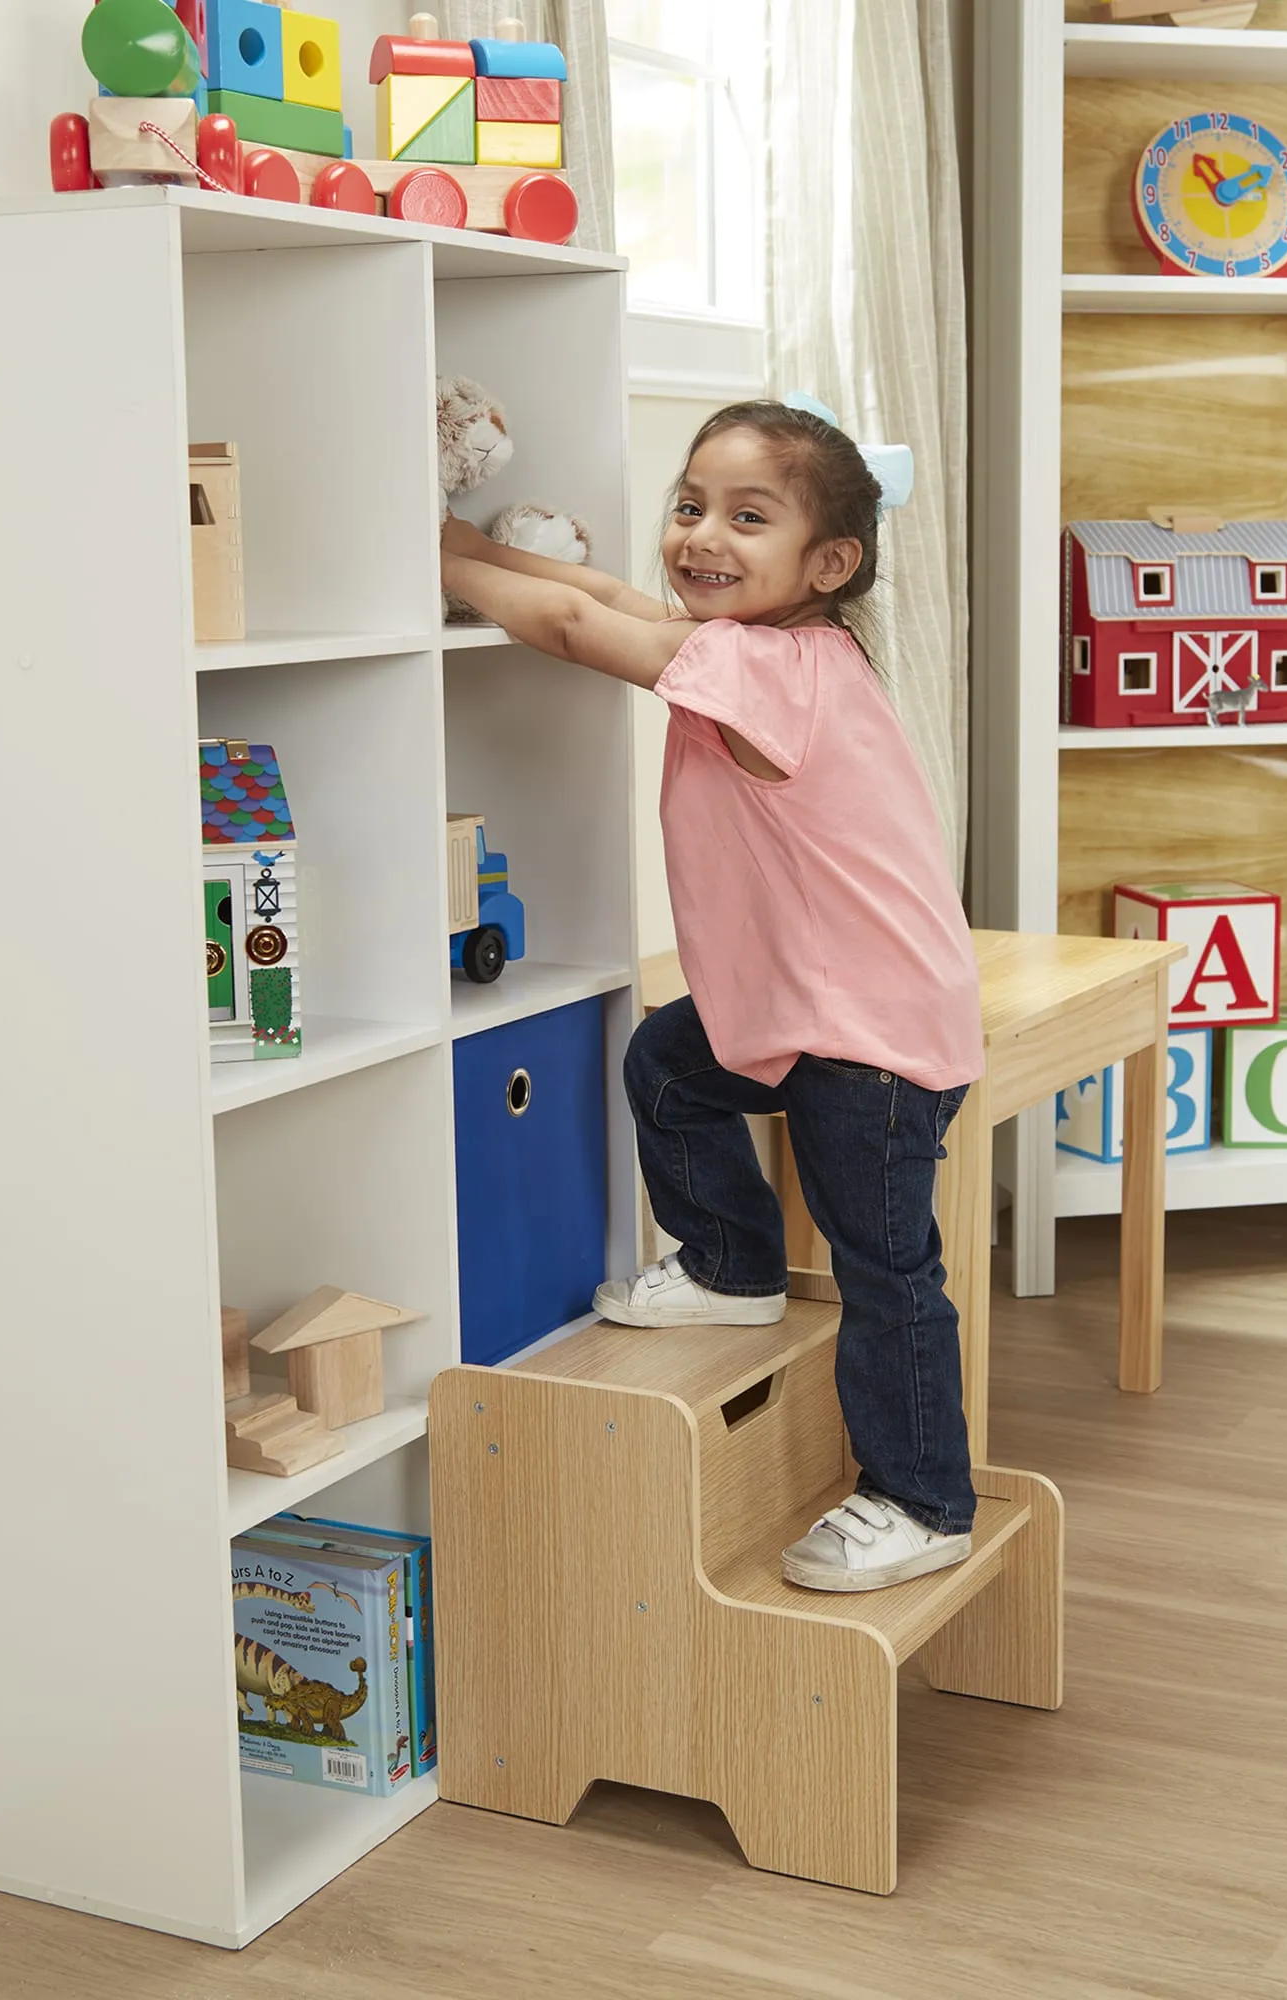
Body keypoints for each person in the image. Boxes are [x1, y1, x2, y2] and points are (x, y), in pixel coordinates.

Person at [440, 398, 983, 1593]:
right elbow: (620, 604)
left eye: (747, 517)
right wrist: (465, 546)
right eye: (688, 507)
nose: (698, 537)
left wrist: (434, 560)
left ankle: (923, 1498)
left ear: (826, 563)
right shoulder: (765, 646)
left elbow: (586, 626)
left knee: (885, 1271)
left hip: (871, 1042)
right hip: (800, 1007)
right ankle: (731, 1264)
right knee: (669, 1064)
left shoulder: (763, 669)